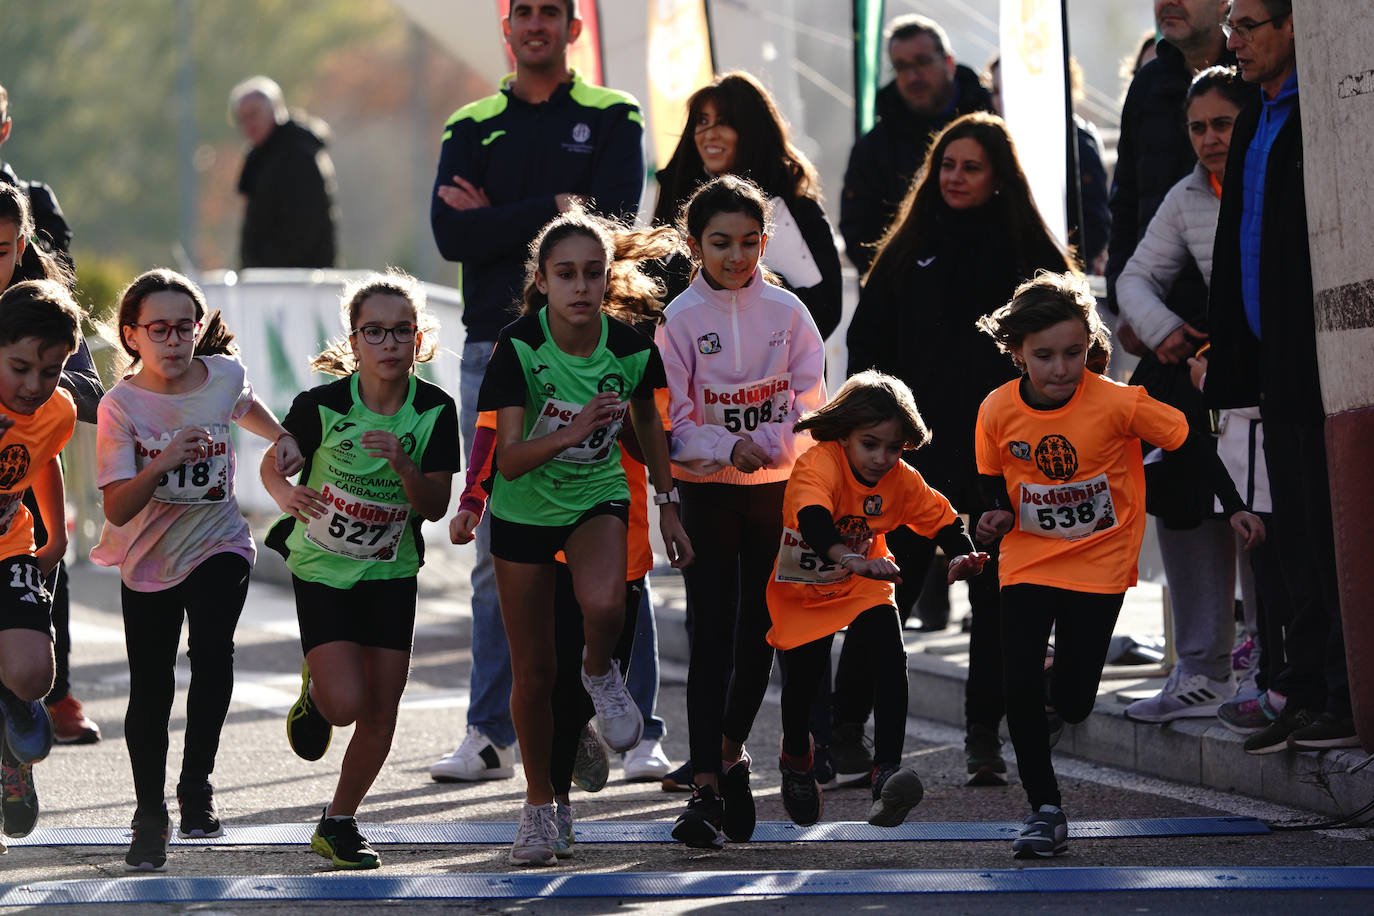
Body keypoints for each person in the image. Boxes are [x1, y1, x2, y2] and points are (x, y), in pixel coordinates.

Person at [973, 271, 1263, 858]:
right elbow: (990, 478)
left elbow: (1190, 442)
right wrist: (995, 516)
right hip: (1028, 557)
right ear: (1017, 354)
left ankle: (1059, 687)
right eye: (1045, 357)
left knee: (1076, 701)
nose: (1061, 369)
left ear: (1089, 345)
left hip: (1099, 562)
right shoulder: (996, 410)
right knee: (1018, 683)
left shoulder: (1118, 402)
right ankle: (1044, 809)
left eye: (1074, 354)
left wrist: (1233, 507)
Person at [429, 0, 645, 784]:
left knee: (621, 537)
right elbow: (452, 236)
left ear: (573, 27)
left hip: (595, 346)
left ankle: (633, 719)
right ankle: (489, 729)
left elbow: (611, 223)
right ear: (507, 24)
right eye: (524, 11)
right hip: (498, 344)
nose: (537, 24)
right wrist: (553, 206)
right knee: (496, 546)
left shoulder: (613, 112)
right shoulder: (470, 122)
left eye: (552, 11)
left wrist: (507, 219)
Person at [844, 112, 1070, 788]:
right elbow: (866, 346)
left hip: (1009, 459)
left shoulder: (1028, 252)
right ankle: (844, 729)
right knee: (884, 593)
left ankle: (983, 739)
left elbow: (1072, 338)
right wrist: (876, 434)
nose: (956, 178)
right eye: (947, 165)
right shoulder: (908, 245)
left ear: (999, 176)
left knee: (997, 604)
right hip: (917, 458)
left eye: (971, 167)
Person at [474, 207, 691, 866]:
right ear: (542, 281)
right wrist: (570, 430)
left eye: (592, 274)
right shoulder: (517, 347)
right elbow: (507, 459)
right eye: (565, 274)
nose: (580, 286)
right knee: (535, 672)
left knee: (605, 603)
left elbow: (651, 427)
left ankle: (600, 671)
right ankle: (542, 806)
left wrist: (668, 503)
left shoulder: (628, 346)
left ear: (607, 279)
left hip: (595, 497)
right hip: (522, 511)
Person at [91, 269, 302, 871]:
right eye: (159, 328)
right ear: (132, 336)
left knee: (213, 653)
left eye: (186, 327)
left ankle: (197, 785)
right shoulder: (120, 406)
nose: (175, 340)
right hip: (148, 557)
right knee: (151, 684)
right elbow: (116, 506)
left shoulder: (223, 376)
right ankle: (148, 813)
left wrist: (281, 435)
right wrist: (162, 465)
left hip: (219, 542)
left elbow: (241, 404)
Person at [261, 271, 458, 869]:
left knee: (381, 709)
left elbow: (433, 506)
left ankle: (338, 821)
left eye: (402, 331)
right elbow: (276, 465)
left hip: (390, 572)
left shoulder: (433, 411)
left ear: (417, 339)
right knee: (345, 702)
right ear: (354, 341)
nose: (389, 343)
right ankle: (317, 697)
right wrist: (284, 492)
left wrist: (403, 466)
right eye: (375, 331)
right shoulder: (320, 405)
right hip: (321, 566)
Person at [1204, 1, 1357, 752]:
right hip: (1270, 368)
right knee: (1285, 537)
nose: (1236, 39)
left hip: (1326, 364)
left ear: (1296, 26)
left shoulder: (1325, 111)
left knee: (1328, 537)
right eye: (1230, 25)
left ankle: (1337, 690)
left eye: (1251, 24)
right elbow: (1240, 251)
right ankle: (1297, 683)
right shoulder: (1256, 116)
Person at [656, 175, 826, 850]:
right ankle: (704, 789)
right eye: (720, 243)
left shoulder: (788, 313)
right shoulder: (680, 319)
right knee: (711, 634)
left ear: (765, 241)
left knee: (763, 632)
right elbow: (675, 419)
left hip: (775, 489)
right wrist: (728, 444)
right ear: (694, 244)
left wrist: (774, 443)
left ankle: (734, 755)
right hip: (708, 490)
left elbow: (813, 399)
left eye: (749, 242)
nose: (736, 256)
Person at [1115, 67, 1269, 724]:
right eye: (1197, 127)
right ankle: (1202, 667)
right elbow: (1135, 280)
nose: (1209, 138)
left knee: (1269, 520)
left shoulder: (1274, 179)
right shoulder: (1185, 195)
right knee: (1184, 499)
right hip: (1208, 382)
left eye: (1222, 124)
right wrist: (1168, 335)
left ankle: (1266, 667)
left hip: (1272, 383)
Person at [767, 371, 988, 828]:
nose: (882, 458)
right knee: (804, 684)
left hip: (864, 579)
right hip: (803, 586)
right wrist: (847, 556)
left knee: (890, 655)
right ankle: (797, 758)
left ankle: (886, 770)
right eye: (871, 445)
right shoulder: (819, 464)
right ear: (845, 434)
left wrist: (964, 554)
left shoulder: (899, 477)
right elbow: (812, 520)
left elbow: (942, 517)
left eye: (894, 448)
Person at [1, 87, 103, 748]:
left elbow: (78, 394)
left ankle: (45, 691)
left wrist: (36, 377)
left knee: (29, 662)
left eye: (5, 246)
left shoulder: (33, 285)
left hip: (13, 520)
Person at [652, 71, 842, 339]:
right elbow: (654, 298)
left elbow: (825, 310)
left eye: (724, 122)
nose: (709, 134)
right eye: (702, 122)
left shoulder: (798, 208)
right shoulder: (677, 198)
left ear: (752, 130)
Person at [0, 279, 82, 847]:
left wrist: (52, 535)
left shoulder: (57, 411)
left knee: (33, 674)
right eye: (19, 367)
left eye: (49, 371)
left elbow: (43, 459)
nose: (35, 385)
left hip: (11, 549)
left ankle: (13, 742)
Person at [1107, 0, 1231, 347]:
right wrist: (1129, 306)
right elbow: (1125, 200)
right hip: (1163, 321)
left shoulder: (1253, 75)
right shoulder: (1146, 85)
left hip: (1243, 318)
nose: (1168, 3)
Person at [840, 14, 994, 275]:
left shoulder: (995, 125)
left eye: (922, 62)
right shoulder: (875, 147)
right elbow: (860, 231)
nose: (913, 77)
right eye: (901, 66)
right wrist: (904, 280)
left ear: (949, 63)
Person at [230, 76, 338, 269]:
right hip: (268, 278)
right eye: (242, 118)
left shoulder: (298, 154)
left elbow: (304, 228)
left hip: (298, 281)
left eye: (254, 114)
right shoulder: (260, 158)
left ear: (276, 108)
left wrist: (265, 266)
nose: (248, 124)